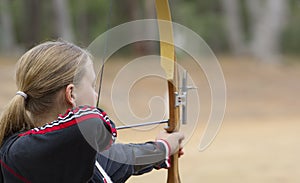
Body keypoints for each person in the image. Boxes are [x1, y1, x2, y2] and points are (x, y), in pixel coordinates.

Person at [0, 41, 184, 183]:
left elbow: (125, 157)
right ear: (71, 94)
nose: (95, 94)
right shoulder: (19, 154)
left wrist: (164, 148)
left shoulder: (76, 155)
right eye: (92, 85)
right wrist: (104, 134)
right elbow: (90, 123)